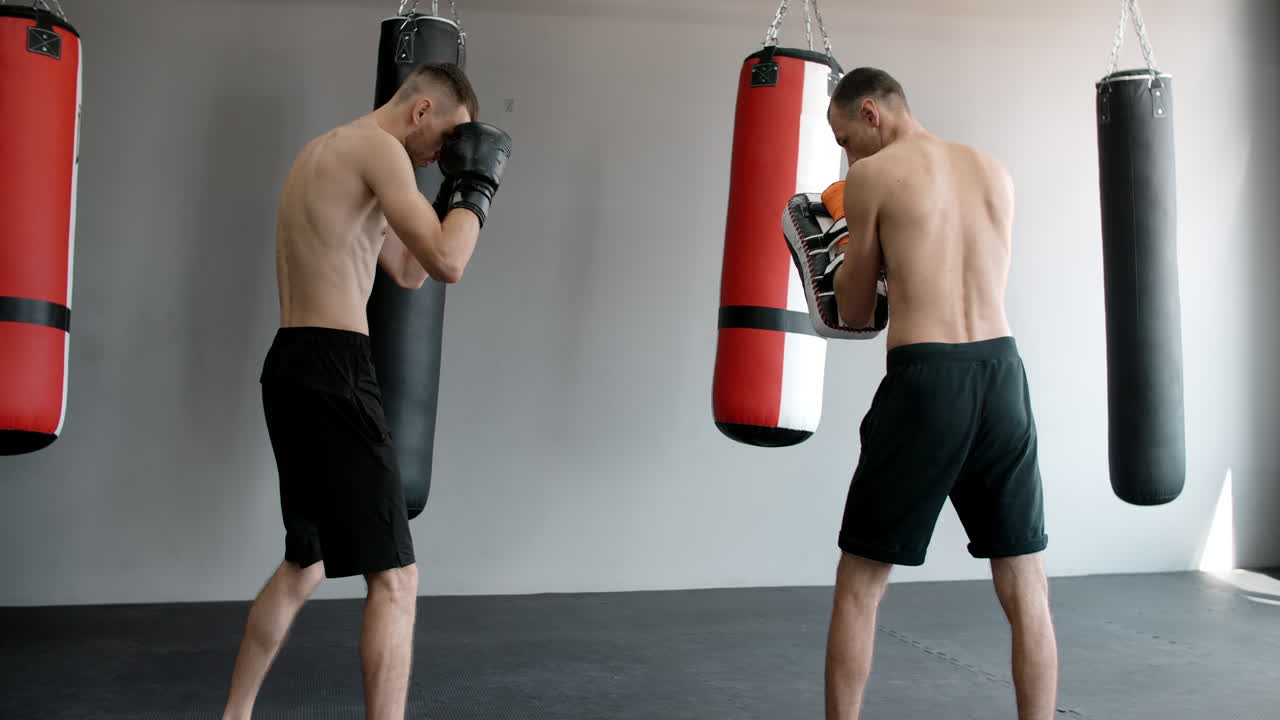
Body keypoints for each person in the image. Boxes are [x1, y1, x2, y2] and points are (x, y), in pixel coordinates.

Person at [221, 62, 510, 720]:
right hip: (335, 366)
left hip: (290, 366)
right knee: (398, 579)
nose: (447, 154)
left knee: (306, 560)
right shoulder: (382, 151)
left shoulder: (327, 154)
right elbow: (449, 261)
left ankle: (233, 715)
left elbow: (409, 271)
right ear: (420, 111)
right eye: (449, 136)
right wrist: (477, 187)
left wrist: (448, 202)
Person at [821, 68, 1058, 720]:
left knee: (861, 584)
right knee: (1025, 577)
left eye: (846, 137)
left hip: (928, 380)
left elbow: (859, 311)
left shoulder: (872, 177)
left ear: (871, 112)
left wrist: (835, 251)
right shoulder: (991, 168)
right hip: (1003, 375)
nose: (848, 155)